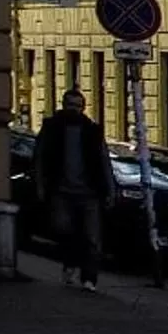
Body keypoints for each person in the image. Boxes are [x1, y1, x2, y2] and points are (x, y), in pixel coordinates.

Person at [34, 86, 117, 291]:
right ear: (63, 105)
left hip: (90, 193)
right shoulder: (52, 127)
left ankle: (89, 279)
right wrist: (40, 185)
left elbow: (104, 160)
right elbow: (39, 158)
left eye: (78, 106)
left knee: (92, 238)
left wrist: (110, 190)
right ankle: (69, 264)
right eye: (71, 105)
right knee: (64, 230)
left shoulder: (92, 131)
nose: (75, 110)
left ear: (84, 108)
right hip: (61, 191)